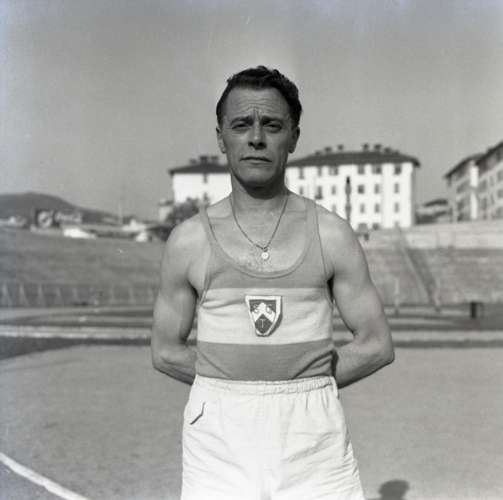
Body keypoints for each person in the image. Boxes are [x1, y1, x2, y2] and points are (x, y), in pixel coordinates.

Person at [151, 66, 394, 500]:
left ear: (294, 137)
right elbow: (166, 350)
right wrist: (231, 385)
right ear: (221, 138)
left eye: (272, 125)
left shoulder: (331, 234)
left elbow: (376, 344)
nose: (256, 138)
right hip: (219, 436)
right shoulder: (188, 240)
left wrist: (303, 383)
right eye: (241, 125)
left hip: (312, 436)